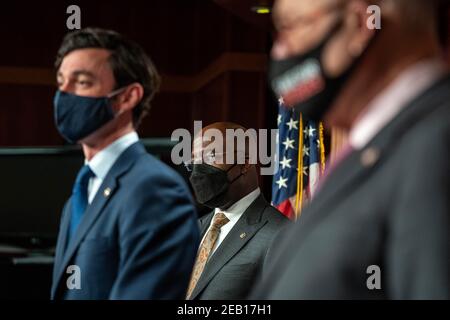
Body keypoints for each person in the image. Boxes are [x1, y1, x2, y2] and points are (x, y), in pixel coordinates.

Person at [253, 0, 449, 299]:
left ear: (361, 24)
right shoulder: (375, 146)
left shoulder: (436, 146)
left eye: (291, 26)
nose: (279, 51)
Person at [51, 28, 199, 299]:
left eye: (82, 82)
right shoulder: (76, 199)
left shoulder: (155, 189)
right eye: (61, 82)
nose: (64, 94)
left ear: (126, 97)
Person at [185, 122, 289, 300]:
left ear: (245, 163)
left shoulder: (280, 234)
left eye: (211, 156)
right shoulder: (192, 230)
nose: (198, 171)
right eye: (194, 161)